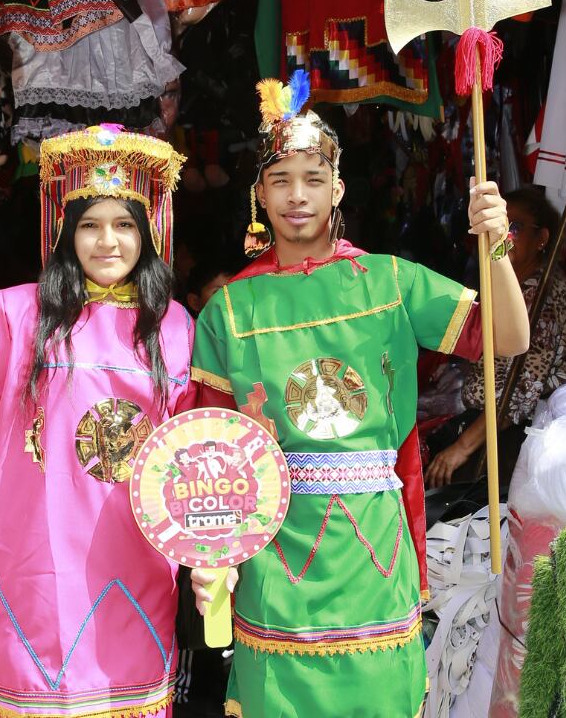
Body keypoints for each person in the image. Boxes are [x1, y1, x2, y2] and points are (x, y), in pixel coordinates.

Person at [188, 72, 530, 718]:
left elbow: (507, 338)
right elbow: (208, 453)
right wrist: (214, 562)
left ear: (337, 189)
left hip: (374, 548)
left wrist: (499, 247)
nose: (297, 196)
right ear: (259, 192)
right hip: (275, 555)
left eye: (313, 179)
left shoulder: (390, 282)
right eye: (281, 180)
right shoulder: (229, 309)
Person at [0, 125, 193, 718]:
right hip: (40, 575)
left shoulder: (173, 327)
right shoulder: (17, 312)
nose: (107, 241)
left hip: (138, 570)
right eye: (90, 225)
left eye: (124, 225)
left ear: (147, 233)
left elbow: (191, 455)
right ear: (67, 233)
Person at [424, 188, 566, 488]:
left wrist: (460, 449)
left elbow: (519, 391)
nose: (503, 235)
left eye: (514, 227)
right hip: (490, 425)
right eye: (499, 225)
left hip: (516, 433)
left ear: (542, 239)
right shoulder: (517, 284)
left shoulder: (540, 298)